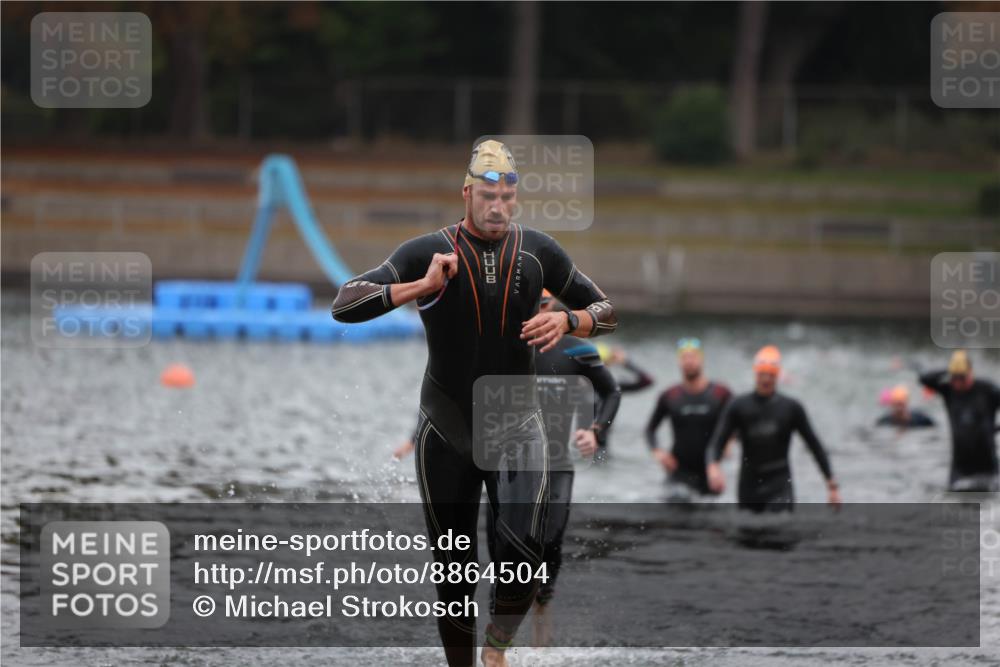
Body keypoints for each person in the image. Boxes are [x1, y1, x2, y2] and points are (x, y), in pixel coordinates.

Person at [332, 139, 617, 667]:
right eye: (489, 196)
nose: (499, 208)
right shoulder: (426, 251)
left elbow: (606, 308)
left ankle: (497, 650)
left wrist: (569, 319)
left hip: (516, 422)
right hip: (446, 426)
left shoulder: (540, 253)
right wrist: (421, 285)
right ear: (467, 193)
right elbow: (344, 304)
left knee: (524, 554)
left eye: (508, 198)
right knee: (454, 570)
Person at [526, 289, 621, 645]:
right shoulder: (506, 345)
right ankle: (501, 622)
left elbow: (612, 392)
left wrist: (595, 431)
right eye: (533, 304)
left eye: (546, 304)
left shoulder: (577, 349)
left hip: (559, 460)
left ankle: (543, 605)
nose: (541, 311)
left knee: (551, 538)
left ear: (556, 307)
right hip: (512, 462)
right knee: (511, 541)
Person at [705, 345, 841, 512]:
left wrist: (831, 483)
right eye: (762, 374)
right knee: (747, 534)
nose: (766, 379)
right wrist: (713, 467)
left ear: (777, 376)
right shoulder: (738, 406)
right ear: (755, 373)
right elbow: (716, 443)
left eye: (770, 375)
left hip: (780, 483)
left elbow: (814, 445)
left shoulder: (791, 408)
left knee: (780, 529)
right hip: (749, 485)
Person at [644, 338, 731, 495]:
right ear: (679, 361)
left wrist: (729, 443)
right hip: (678, 472)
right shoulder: (669, 395)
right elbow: (650, 429)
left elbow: (739, 424)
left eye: (693, 357)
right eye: (685, 357)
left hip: (711, 472)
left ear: (701, 360)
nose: (689, 362)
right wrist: (658, 452)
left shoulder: (721, 393)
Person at [919, 350, 1000, 492]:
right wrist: (948, 369)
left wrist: (995, 429)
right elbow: (924, 379)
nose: (958, 382)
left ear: (970, 373)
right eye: (954, 377)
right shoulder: (949, 392)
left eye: (962, 377)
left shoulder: (987, 390)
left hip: (987, 468)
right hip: (960, 470)